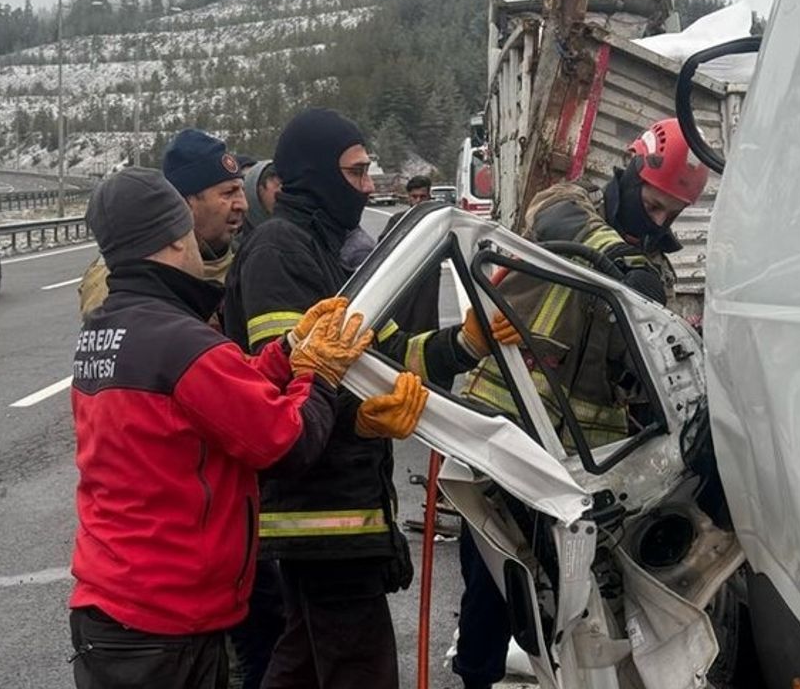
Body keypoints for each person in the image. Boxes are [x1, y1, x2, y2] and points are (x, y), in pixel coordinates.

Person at [224, 108, 511, 689]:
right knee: (361, 669)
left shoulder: (332, 255)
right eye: (355, 173)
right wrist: (366, 421)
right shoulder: (281, 252)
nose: (367, 186)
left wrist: (465, 344)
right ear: (315, 174)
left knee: (302, 665)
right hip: (319, 513)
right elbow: (287, 382)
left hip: (342, 503)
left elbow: (387, 356)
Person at [67, 167, 373, 689]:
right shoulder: (179, 341)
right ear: (173, 239)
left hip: (118, 601)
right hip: (165, 622)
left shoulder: (110, 328)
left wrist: (287, 354)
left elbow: (215, 394)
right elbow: (286, 442)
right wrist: (319, 377)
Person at [450, 117, 710, 689]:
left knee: (565, 593)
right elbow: (558, 221)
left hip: (581, 462)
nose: (659, 219)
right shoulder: (569, 203)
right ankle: (476, 677)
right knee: (494, 574)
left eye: (671, 213)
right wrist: (620, 262)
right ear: (632, 172)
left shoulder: (654, 272)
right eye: (653, 203)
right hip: (508, 428)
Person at [78, 129, 248, 318]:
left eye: (242, 190)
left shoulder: (249, 260)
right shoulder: (119, 282)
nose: (243, 204)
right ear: (185, 203)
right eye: (228, 193)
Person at [378, 175, 442, 334]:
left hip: (428, 279)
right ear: (408, 198)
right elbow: (382, 250)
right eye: (414, 197)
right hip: (402, 280)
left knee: (426, 322)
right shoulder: (397, 222)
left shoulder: (437, 221)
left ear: (429, 196)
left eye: (422, 196)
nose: (418, 201)